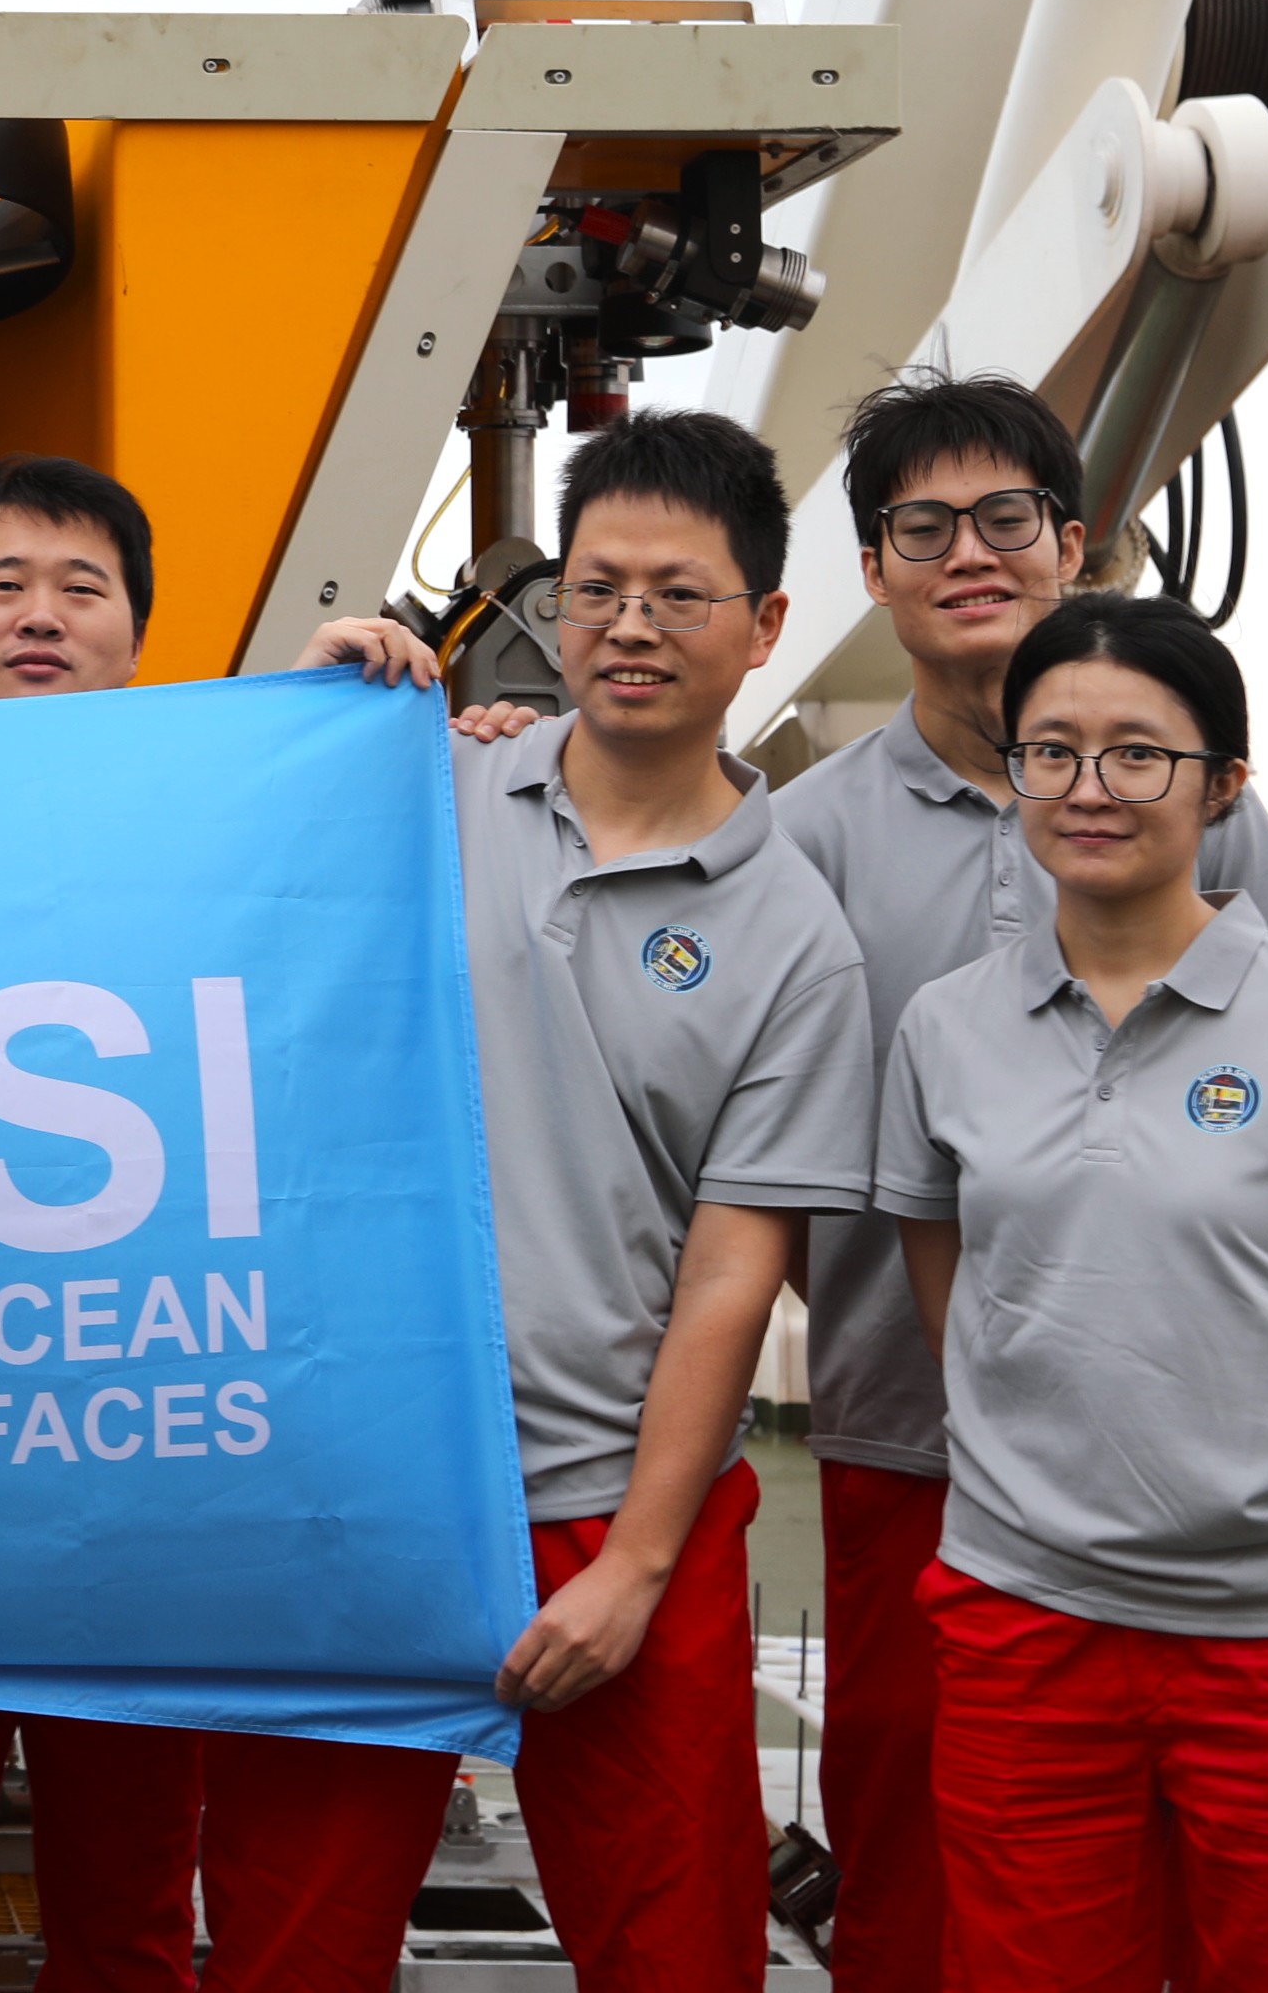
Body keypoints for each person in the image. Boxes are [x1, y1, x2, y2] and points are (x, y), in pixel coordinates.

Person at [198, 408, 872, 1993]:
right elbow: (206, 885)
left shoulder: (798, 940)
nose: (629, 625)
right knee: (290, 1942)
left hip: (614, 1500)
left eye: (679, 594)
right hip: (366, 1479)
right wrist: (312, 697)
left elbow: (731, 1279)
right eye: (595, 588)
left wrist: (636, 1566)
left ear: (766, 622)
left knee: (675, 1948)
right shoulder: (421, 791)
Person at [0, 455, 437, 1993]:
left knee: (132, 1907)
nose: (41, 615)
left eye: (81, 588)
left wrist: (333, 706)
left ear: (140, 635)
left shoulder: (217, 824)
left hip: (146, 1470)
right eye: (4, 585)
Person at [769, 372, 1268, 1991]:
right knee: (906, 1841)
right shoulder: (802, 841)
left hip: (1185, 1445)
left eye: (1005, 516)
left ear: (1072, 546)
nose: (968, 552)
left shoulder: (1197, 807)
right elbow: (761, 1149)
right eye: (922, 525)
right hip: (912, 1438)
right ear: (871, 571)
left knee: (1164, 1862)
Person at [879, 593, 1268, 1991]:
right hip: (1026, 1626)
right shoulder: (946, 1027)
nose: (1090, 788)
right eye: (1052, 750)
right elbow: (956, 1293)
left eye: (1139, 753)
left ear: (1224, 785)